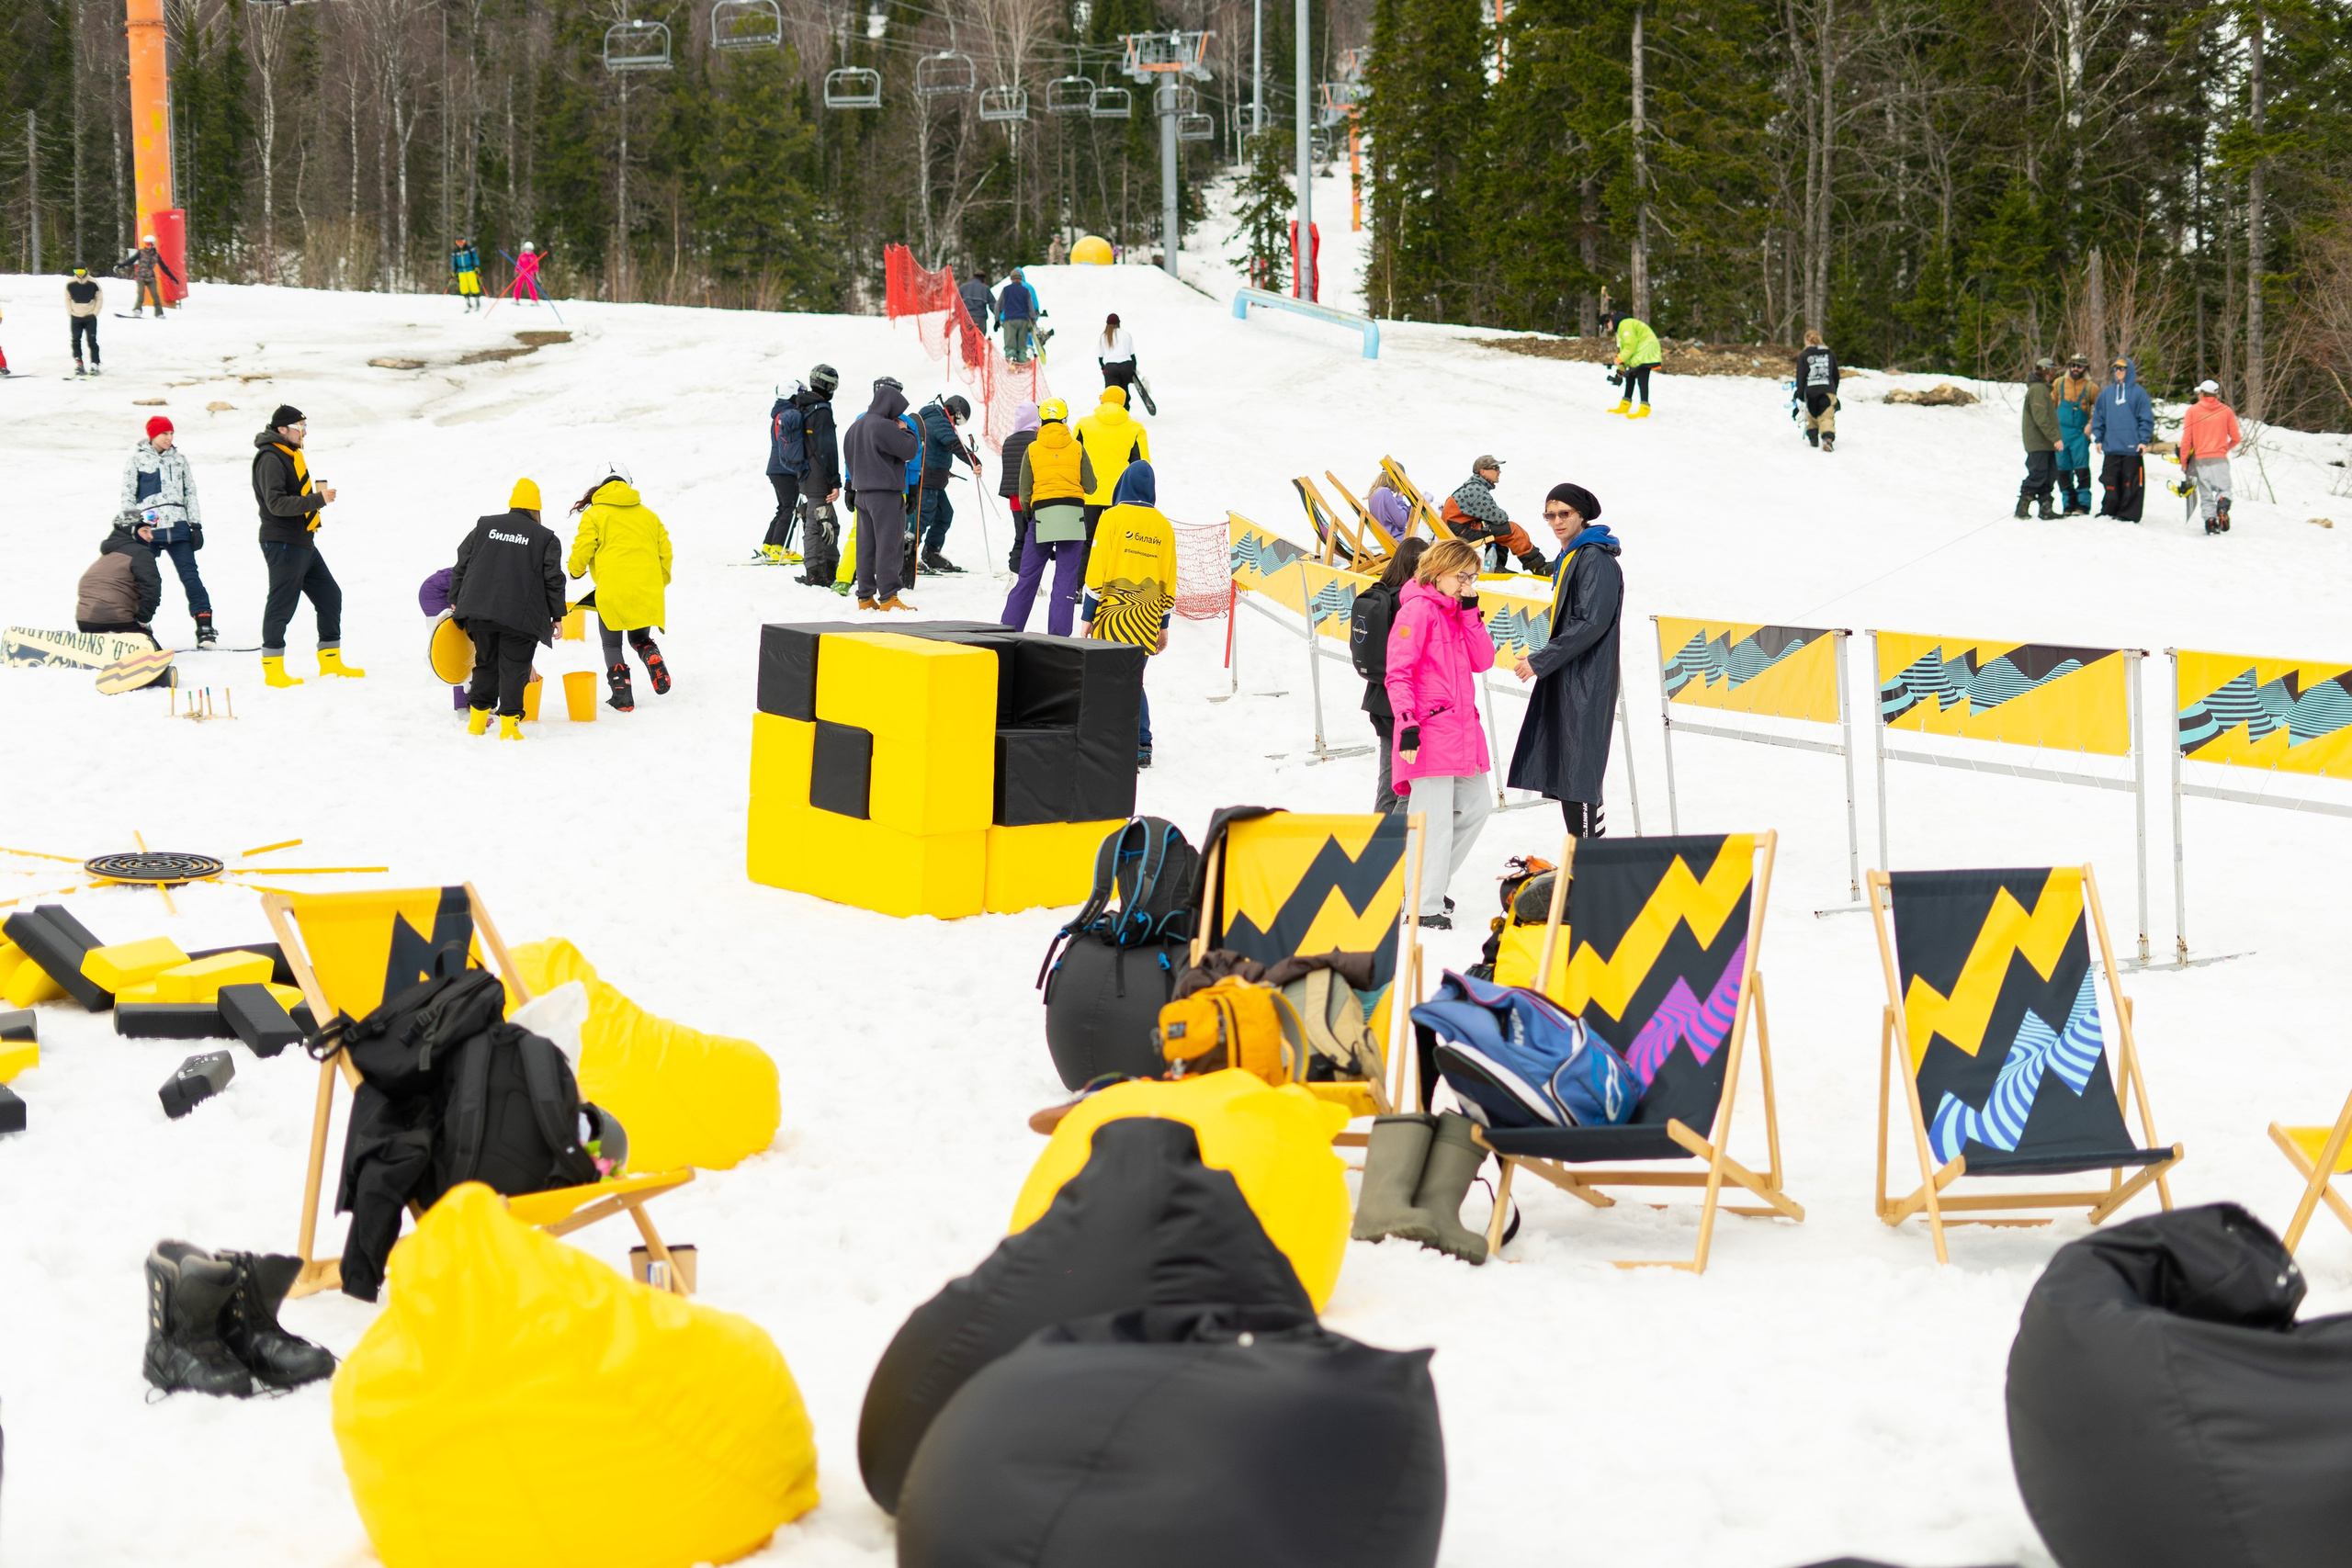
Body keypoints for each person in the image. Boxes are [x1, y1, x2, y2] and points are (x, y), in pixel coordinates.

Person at [1384, 538, 1497, 929]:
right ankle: (1421, 903)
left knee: (1478, 805)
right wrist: (1407, 724)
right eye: (1462, 576)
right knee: (1431, 819)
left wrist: (1470, 611)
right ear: (1439, 571)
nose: (1468, 584)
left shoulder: (1456, 611)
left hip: (1461, 730)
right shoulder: (1417, 610)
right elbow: (1398, 673)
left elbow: (1484, 661)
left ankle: (1426, 886)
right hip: (1428, 729)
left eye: (1473, 577)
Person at [1507, 483, 1620, 838]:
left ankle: (1588, 861)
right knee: (1570, 767)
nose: (1556, 521)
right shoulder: (1574, 555)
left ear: (1581, 515)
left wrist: (1542, 660)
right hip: (1572, 672)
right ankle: (1586, 857)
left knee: (1579, 772)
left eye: (1564, 514)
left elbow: (1592, 621)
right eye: (1549, 515)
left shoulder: (1595, 558)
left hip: (1587, 676)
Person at [1080, 461, 1178, 768]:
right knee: (1133, 679)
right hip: (1147, 617)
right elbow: (1168, 578)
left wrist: (1087, 614)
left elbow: (1098, 568)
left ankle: (1106, 738)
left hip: (1111, 615)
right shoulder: (1163, 525)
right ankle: (1141, 743)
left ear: (1122, 484)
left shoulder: (1111, 518)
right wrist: (1163, 625)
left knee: (1106, 679)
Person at [451, 479, 566, 739]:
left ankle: (477, 723)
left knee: (485, 664)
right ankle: (509, 729)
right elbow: (553, 579)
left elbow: (462, 562)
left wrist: (456, 597)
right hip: (520, 618)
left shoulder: (486, 525)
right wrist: (557, 615)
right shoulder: (545, 537)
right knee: (515, 670)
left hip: (480, 611)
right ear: (536, 508)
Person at [252, 404, 357, 687]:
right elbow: (276, 504)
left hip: (302, 539)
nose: (304, 432)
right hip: (283, 541)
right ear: (282, 429)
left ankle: (331, 662)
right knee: (282, 605)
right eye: (300, 427)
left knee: (330, 596)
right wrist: (317, 500)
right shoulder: (271, 458)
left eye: (305, 426)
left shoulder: (290, 455)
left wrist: (314, 498)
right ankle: (273, 670)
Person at [567, 460, 673, 710]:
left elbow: (583, 547)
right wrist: (659, 582)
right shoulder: (649, 515)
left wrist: (575, 570)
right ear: (628, 483)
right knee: (639, 637)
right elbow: (665, 553)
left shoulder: (594, 514)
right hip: (647, 587)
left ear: (598, 487)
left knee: (611, 644)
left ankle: (622, 697)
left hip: (613, 590)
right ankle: (650, 654)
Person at [1002, 398, 1096, 635]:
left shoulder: (1032, 449)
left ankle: (1008, 631)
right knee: (1065, 581)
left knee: (1027, 579)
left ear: (1042, 420)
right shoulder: (1077, 447)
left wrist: (1030, 515)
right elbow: (1091, 486)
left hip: (1042, 516)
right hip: (1073, 517)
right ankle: (1059, 638)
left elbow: (1024, 493)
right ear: (1065, 420)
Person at [120, 415, 213, 645]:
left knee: (190, 575)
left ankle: (205, 625)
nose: (169, 438)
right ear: (153, 435)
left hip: (179, 526)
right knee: (144, 579)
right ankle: (138, 624)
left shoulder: (180, 460)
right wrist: (133, 527)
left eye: (171, 434)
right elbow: (128, 495)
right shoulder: (137, 461)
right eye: (164, 434)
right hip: (149, 529)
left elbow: (190, 493)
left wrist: (196, 525)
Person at [1355, 536, 1430, 812]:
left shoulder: (1380, 592)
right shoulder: (1409, 602)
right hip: (1404, 701)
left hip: (1379, 697)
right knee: (1409, 786)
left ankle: (1377, 845)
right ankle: (1391, 849)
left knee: (1388, 782)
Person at [842, 376, 921, 611]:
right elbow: (910, 451)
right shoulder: (884, 426)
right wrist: (906, 431)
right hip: (885, 494)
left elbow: (848, 458)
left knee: (865, 546)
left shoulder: (855, 426)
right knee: (889, 545)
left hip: (862, 494)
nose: (897, 416)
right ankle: (888, 597)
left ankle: (865, 597)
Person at [763, 364, 841, 565]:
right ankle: (778, 547)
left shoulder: (783, 413)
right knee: (788, 507)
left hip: (779, 467)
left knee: (783, 507)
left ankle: (769, 545)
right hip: (785, 469)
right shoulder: (793, 414)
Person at [1443, 456, 1549, 575]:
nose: (1499, 471)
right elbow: (1500, 517)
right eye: (1495, 468)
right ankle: (1539, 567)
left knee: (1498, 531)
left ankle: (1497, 567)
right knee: (1512, 529)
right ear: (1482, 471)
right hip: (1461, 532)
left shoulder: (1474, 486)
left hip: (1460, 529)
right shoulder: (1476, 490)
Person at [915, 392, 981, 574]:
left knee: (945, 513)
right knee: (923, 517)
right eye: (959, 421)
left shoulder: (937, 420)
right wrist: (974, 461)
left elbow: (934, 449)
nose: (957, 425)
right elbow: (955, 444)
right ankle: (908, 556)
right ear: (956, 412)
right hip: (926, 481)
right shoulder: (939, 420)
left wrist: (944, 471)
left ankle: (931, 553)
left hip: (934, 479)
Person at [1075, 385, 1150, 535]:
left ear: (1102, 400)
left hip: (1088, 493)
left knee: (1086, 542)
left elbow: (1072, 458)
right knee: (1117, 541)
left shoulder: (1083, 425)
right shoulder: (1136, 428)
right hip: (1121, 496)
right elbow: (1142, 466)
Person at [76, 514, 164, 638]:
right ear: (131, 531)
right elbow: (152, 587)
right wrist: (143, 619)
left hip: (85, 621)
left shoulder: (108, 555)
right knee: (150, 647)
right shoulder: (141, 552)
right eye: (145, 531)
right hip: (117, 621)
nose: (150, 536)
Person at [2091, 355, 2154, 523]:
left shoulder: (2138, 392)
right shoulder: (2106, 393)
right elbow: (2099, 417)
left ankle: (2128, 514)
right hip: (2111, 447)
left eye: (2121, 368)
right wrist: (2099, 438)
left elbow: (2146, 418)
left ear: (2129, 370)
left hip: (2132, 449)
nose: (2118, 371)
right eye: (2115, 368)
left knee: (2131, 484)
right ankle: (2109, 510)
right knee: (2110, 482)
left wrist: (2143, 440)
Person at [2180, 378, 2243, 536]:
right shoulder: (2226, 411)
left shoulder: (2192, 411)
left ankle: (2210, 522)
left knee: (2206, 494)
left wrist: (2184, 461)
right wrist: (2224, 449)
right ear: (2216, 394)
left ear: (2201, 394)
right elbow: (2236, 438)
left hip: (2201, 460)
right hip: (2220, 459)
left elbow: (2187, 440)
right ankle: (2222, 504)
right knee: (2224, 489)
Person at [998, 400, 1041, 572]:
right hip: (1033, 496)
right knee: (1034, 538)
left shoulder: (1008, 441)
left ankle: (1015, 571)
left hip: (1015, 499)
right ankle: (1029, 575)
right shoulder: (1037, 441)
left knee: (1020, 536)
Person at [2018, 357, 2062, 520]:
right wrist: (2055, 437)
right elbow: (2041, 418)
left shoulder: (2043, 389)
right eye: (2051, 371)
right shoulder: (2038, 389)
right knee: (2038, 474)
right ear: (2044, 372)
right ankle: (2022, 507)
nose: (2053, 375)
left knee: (2050, 475)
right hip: (2038, 443)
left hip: (2046, 443)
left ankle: (2045, 509)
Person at [2054, 354, 2096, 515]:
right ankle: (2068, 503)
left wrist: (2091, 424)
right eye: (2073, 365)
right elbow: (2050, 408)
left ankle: (2083, 504)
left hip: (2080, 435)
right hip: (2061, 434)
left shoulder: (2091, 387)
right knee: (2062, 470)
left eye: (2079, 366)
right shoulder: (2058, 384)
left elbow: (2099, 409)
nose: (2075, 369)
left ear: (2085, 368)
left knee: (2082, 469)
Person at [1608, 312, 1662, 418]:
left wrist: (1619, 359)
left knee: (1642, 378)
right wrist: (1621, 369)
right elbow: (1626, 349)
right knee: (1630, 376)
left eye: (1607, 325)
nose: (1607, 328)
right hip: (1640, 353)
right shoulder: (1622, 329)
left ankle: (1645, 407)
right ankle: (1625, 404)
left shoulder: (1625, 324)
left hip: (1646, 352)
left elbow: (1630, 346)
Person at [1796, 330, 1839, 451]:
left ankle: (1813, 438)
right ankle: (1827, 439)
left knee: (1811, 415)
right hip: (1827, 389)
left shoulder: (1803, 356)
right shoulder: (1829, 353)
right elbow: (1835, 374)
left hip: (1811, 391)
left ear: (1807, 341)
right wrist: (1834, 390)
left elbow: (1801, 377)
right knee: (1826, 416)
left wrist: (1800, 394)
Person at [122, 234, 179, 317]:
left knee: (155, 295)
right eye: (145, 244)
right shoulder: (141, 252)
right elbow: (131, 260)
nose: (146, 246)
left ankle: (159, 313)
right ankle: (137, 310)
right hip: (140, 276)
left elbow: (164, 268)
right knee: (141, 293)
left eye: (148, 244)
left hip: (150, 278)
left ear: (153, 245)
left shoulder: (156, 256)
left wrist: (172, 277)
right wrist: (120, 265)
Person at [998, 268, 1043, 362]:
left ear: (1011, 279)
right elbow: (1031, 307)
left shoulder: (1006, 290)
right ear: (1021, 278)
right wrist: (1033, 320)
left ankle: (1011, 358)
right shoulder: (1026, 290)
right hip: (1023, 320)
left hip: (1009, 320)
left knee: (1010, 343)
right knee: (1022, 345)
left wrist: (998, 319)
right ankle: (1022, 360)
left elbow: (999, 306)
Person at [66, 267, 102, 377]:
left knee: (92, 341)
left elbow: (99, 298)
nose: (80, 274)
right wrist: (70, 312)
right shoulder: (70, 283)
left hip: (90, 317)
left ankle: (95, 363)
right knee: (76, 340)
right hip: (75, 317)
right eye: (77, 272)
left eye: (81, 272)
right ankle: (79, 363)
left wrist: (95, 313)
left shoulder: (93, 282)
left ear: (86, 270)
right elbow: (67, 298)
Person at [1098, 313, 1137, 398]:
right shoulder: (1126, 334)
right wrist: (1133, 369)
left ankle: (1112, 409)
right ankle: (1125, 409)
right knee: (1124, 393)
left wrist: (1103, 368)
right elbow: (1132, 356)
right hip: (1126, 367)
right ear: (1119, 323)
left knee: (1112, 394)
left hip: (1111, 368)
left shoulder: (1104, 336)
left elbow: (1100, 358)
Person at [1367, 475, 1412, 542]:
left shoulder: (1374, 493)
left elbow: (1391, 515)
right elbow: (1401, 521)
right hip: (1398, 539)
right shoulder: (1385, 492)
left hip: (1386, 539)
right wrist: (1400, 497)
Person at [958, 269, 996, 334]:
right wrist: (999, 316)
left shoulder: (963, 287)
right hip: (980, 318)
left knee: (967, 340)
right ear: (983, 279)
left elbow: (956, 303)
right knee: (979, 340)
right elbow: (993, 305)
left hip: (966, 318)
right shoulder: (985, 288)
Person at [451, 238, 482, 311]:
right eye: (458, 242)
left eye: (461, 241)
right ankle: (467, 301)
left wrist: (477, 267)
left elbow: (475, 258)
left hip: (470, 269)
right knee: (463, 286)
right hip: (461, 271)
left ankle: (477, 299)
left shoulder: (469, 249)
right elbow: (453, 262)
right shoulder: (455, 252)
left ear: (464, 241)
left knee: (473, 285)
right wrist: (453, 270)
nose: (460, 244)